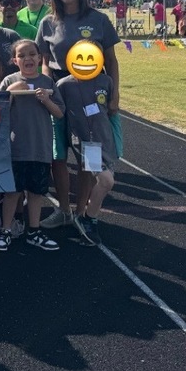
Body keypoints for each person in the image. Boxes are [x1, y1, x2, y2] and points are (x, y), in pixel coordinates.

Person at [36, 0, 120, 231]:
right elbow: (45, 62)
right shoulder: (48, 23)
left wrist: (115, 93)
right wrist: (49, 89)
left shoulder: (98, 19)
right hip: (60, 91)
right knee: (58, 155)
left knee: (88, 156)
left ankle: (83, 211)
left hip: (91, 93)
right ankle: (63, 210)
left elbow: (111, 60)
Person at [0, 39, 65, 252]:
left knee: (36, 193)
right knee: (12, 193)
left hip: (40, 149)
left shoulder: (48, 82)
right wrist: (12, 93)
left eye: (32, 54)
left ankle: (33, 231)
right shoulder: (9, 80)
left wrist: (46, 100)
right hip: (15, 149)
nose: (28, 59)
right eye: (22, 55)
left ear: (39, 57)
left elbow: (59, 113)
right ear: (15, 60)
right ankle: (6, 230)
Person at [57, 56, 119, 247]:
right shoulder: (64, 85)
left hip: (105, 140)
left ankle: (87, 217)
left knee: (103, 183)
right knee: (106, 180)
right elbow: (60, 114)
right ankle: (88, 219)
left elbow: (110, 109)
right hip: (85, 143)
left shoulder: (105, 81)